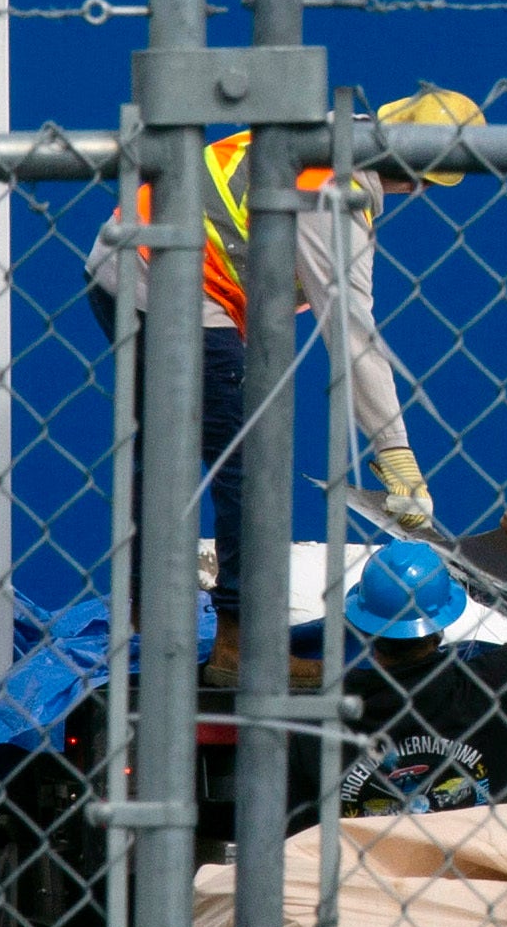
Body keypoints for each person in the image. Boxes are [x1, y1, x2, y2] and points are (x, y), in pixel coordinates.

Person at [87, 86, 481, 683]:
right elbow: (350, 330)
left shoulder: (317, 134)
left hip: (121, 264)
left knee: (164, 457)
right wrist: (395, 452)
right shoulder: (333, 194)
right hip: (174, 287)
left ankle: (143, 617)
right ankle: (241, 646)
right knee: (248, 468)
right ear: (416, 180)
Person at [323, 529, 507, 819]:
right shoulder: (488, 688)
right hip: (473, 847)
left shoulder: (324, 715)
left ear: (366, 629)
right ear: (439, 627)